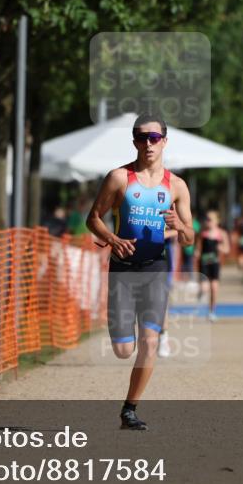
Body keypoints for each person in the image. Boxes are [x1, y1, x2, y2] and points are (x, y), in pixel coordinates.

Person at [86, 114, 194, 431]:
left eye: (154, 138)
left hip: (156, 268)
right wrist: (112, 239)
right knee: (123, 350)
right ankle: (125, 357)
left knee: (150, 341)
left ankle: (129, 409)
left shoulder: (177, 186)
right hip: (122, 269)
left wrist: (181, 226)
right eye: (141, 137)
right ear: (134, 141)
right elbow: (93, 218)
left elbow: (189, 238)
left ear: (164, 141)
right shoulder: (119, 178)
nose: (148, 144)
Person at [195, 210, 230, 321]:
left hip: (215, 263)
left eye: (210, 219)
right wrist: (197, 253)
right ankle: (201, 293)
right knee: (205, 288)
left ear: (216, 221)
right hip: (204, 262)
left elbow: (227, 249)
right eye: (206, 219)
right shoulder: (202, 233)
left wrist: (221, 248)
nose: (207, 222)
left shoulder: (221, 233)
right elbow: (198, 248)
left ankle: (211, 312)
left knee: (214, 288)